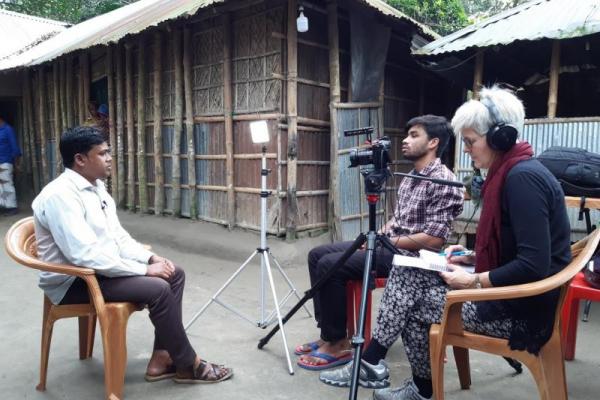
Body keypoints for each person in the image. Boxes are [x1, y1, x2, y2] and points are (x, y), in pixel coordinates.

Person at [320, 86, 572, 400]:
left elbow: (533, 264)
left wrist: (474, 279)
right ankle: (382, 367)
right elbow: (514, 247)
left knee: (412, 297)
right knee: (408, 270)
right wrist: (468, 255)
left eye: (470, 141)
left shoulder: (522, 179)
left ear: (499, 138)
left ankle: (384, 368)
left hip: (520, 313)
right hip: (505, 298)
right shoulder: (512, 174)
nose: (466, 149)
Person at [32, 126, 233, 384]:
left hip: (98, 271)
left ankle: (162, 358)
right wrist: (144, 271)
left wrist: (150, 259)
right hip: (73, 282)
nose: (109, 158)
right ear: (80, 159)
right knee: (158, 289)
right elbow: (84, 255)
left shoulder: (97, 188)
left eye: (109, 152)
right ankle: (189, 364)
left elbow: (117, 238)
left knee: (174, 273)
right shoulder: (59, 196)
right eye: (102, 153)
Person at [296, 115, 464, 371]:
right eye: (407, 135)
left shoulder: (444, 180)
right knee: (317, 254)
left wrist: (384, 240)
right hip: (390, 245)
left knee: (333, 264)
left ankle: (338, 342)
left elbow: (434, 239)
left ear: (433, 143)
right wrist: (378, 235)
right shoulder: (410, 178)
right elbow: (396, 221)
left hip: (412, 258)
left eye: (414, 135)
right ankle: (328, 332)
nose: (405, 141)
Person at [0, 115, 22, 215]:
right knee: (1, 187)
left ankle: (12, 207)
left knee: (7, 184)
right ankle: (5, 206)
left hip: (5, 161)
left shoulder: (8, 129)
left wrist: (16, 164)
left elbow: (14, 148)